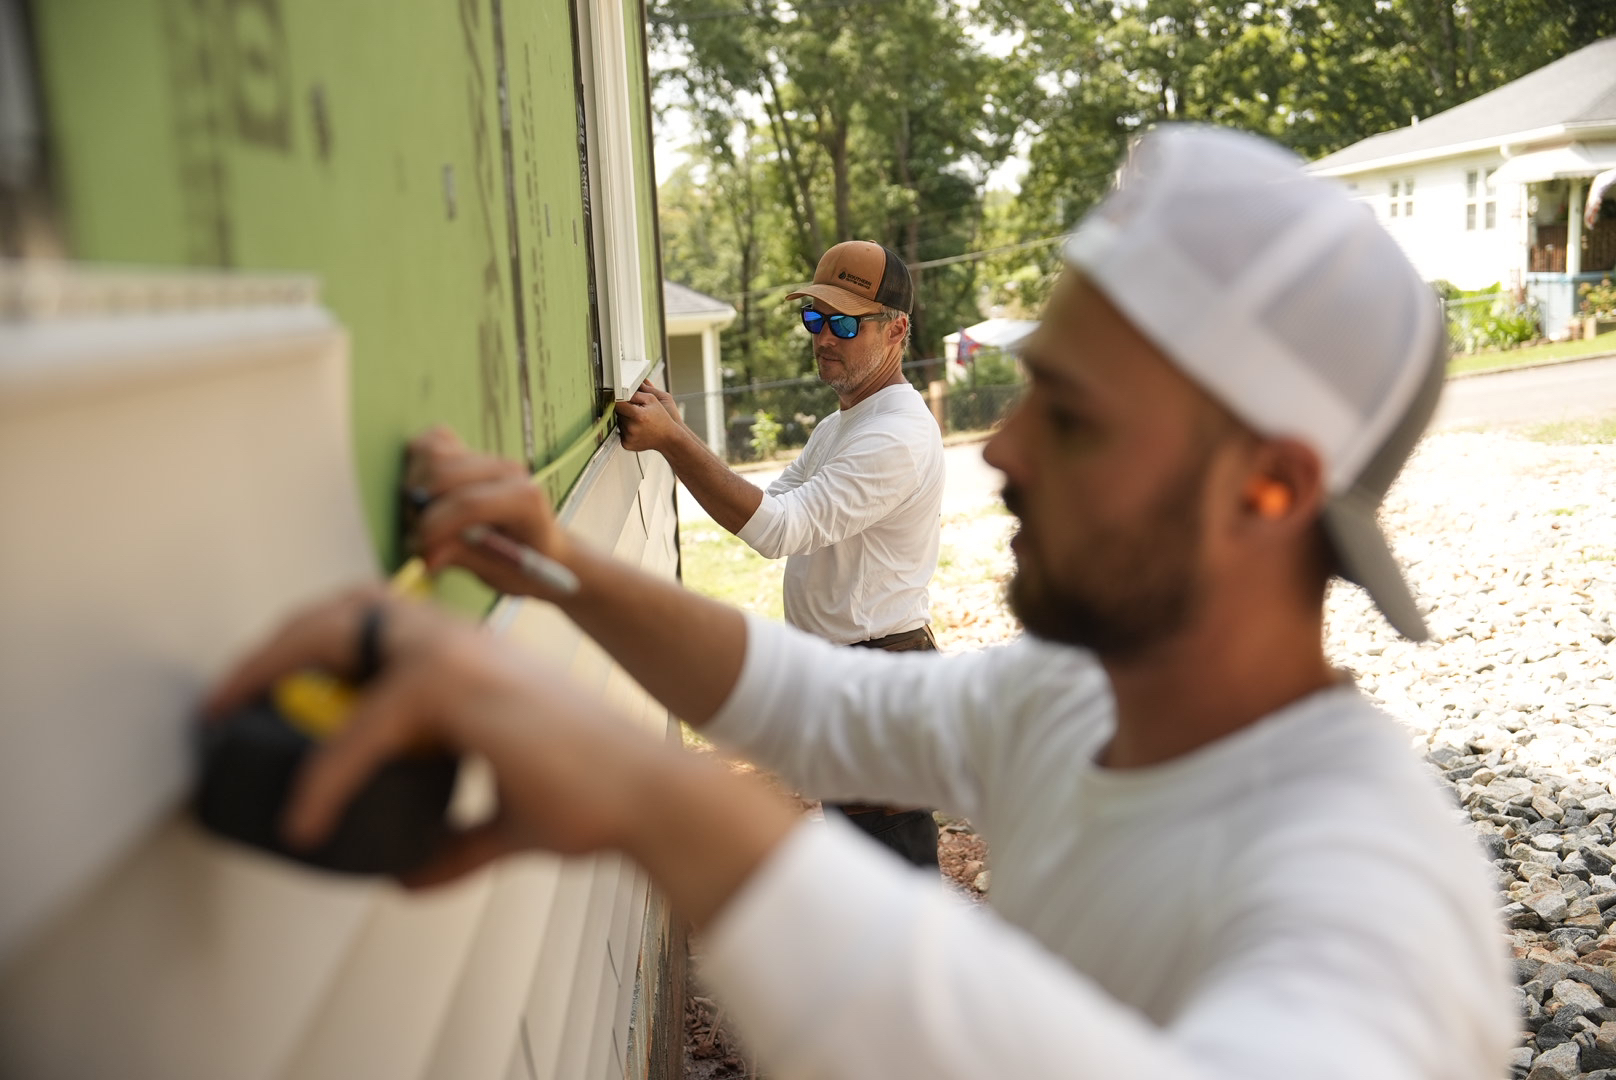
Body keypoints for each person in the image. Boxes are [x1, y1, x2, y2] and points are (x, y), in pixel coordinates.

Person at [212, 126, 1513, 1078]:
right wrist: (546, 558)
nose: (1000, 453)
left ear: (1272, 493)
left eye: (1075, 415)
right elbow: (806, 696)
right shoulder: (1072, 701)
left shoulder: (1375, 892)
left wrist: (643, 796)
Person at [614, 240, 946, 867]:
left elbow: (778, 530)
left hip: (880, 678)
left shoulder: (895, 435)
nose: (825, 337)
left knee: (895, 869)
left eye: (846, 323)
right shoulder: (840, 425)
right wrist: (678, 435)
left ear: (897, 329)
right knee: (866, 866)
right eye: (815, 318)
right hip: (848, 675)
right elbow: (767, 506)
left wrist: (673, 442)